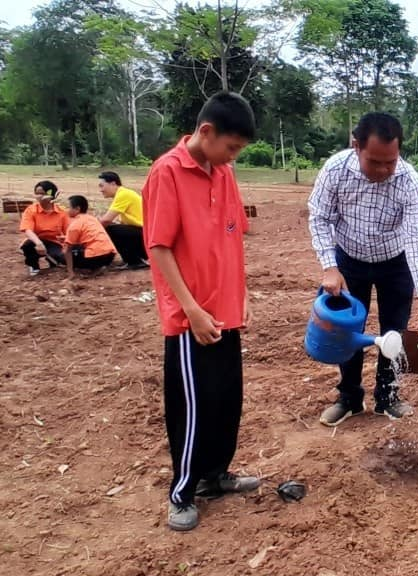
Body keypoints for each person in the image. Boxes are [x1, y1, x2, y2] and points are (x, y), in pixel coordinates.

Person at [142, 92, 259, 532]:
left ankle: (215, 476)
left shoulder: (224, 173)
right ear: (205, 132)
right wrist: (190, 309)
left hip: (227, 311)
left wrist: (241, 293)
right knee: (193, 405)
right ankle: (183, 491)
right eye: (231, 147)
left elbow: (232, 237)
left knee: (227, 399)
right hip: (191, 318)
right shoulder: (167, 172)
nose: (233, 158)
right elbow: (159, 246)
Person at [308, 112, 418, 427]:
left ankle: (387, 398)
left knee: (395, 332)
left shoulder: (409, 182)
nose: (383, 170)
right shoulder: (336, 170)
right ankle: (349, 398)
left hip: (395, 263)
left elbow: (416, 239)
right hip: (348, 260)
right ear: (356, 146)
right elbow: (319, 217)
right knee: (346, 330)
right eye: (375, 161)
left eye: (390, 162)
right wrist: (330, 267)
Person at [98, 171, 149, 269]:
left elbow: (106, 220)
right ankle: (133, 259)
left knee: (110, 230)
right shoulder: (123, 194)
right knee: (114, 228)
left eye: (102, 186)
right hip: (143, 234)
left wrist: (91, 231)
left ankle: (134, 261)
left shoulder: (123, 194)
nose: (100, 190)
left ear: (113, 184)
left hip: (145, 235)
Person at [19, 181, 69, 276]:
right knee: (27, 246)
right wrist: (38, 243)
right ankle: (33, 266)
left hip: (55, 242)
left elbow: (69, 232)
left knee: (62, 258)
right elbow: (27, 229)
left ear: (51, 195)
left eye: (42, 193)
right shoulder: (31, 210)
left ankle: (53, 262)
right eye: (37, 193)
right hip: (36, 240)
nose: (38, 196)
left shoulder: (62, 212)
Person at [62, 196, 117, 278]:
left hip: (94, 258)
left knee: (62, 256)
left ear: (77, 209)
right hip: (110, 255)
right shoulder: (92, 219)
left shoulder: (75, 224)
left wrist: (70, 272)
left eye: (68, 207)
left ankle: (92, 267)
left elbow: (67, 250)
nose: (66, 210)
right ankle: (99, 267)